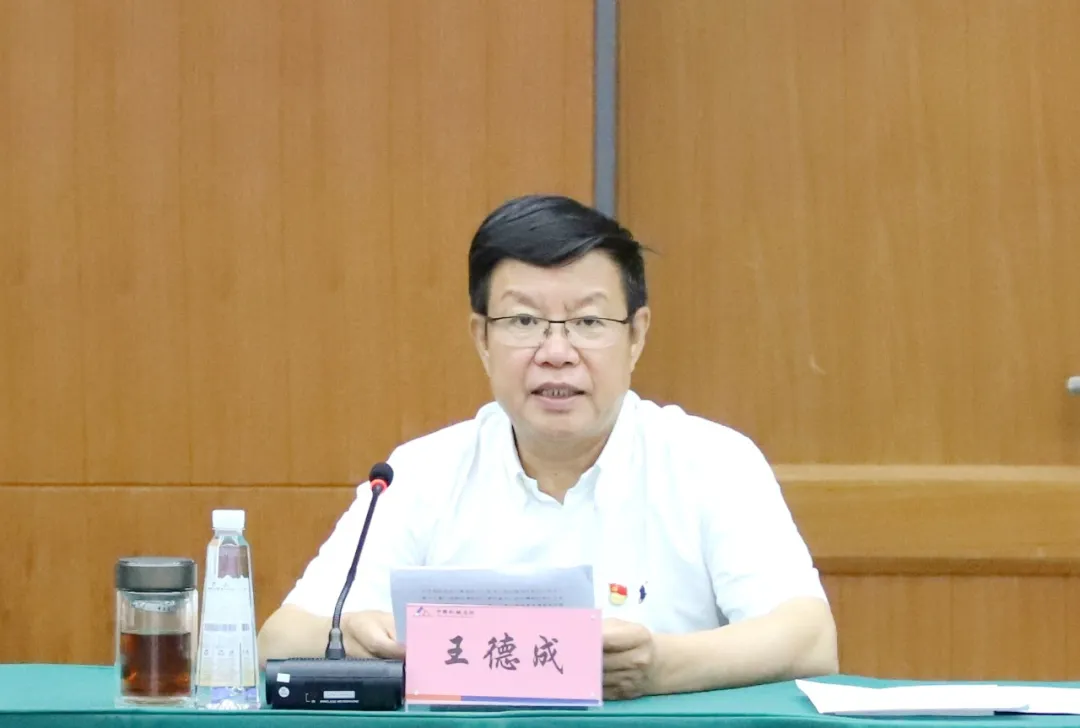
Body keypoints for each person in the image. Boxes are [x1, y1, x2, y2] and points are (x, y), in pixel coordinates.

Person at [257, 194, 838, 699]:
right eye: (523, 321)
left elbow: (810, 640)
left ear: (636, 335)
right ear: (482, 338)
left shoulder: (711, 462)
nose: (556, 353)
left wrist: (658, 666)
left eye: (588, 323)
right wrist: (352, 635)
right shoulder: (420, 473)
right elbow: (278, 640)